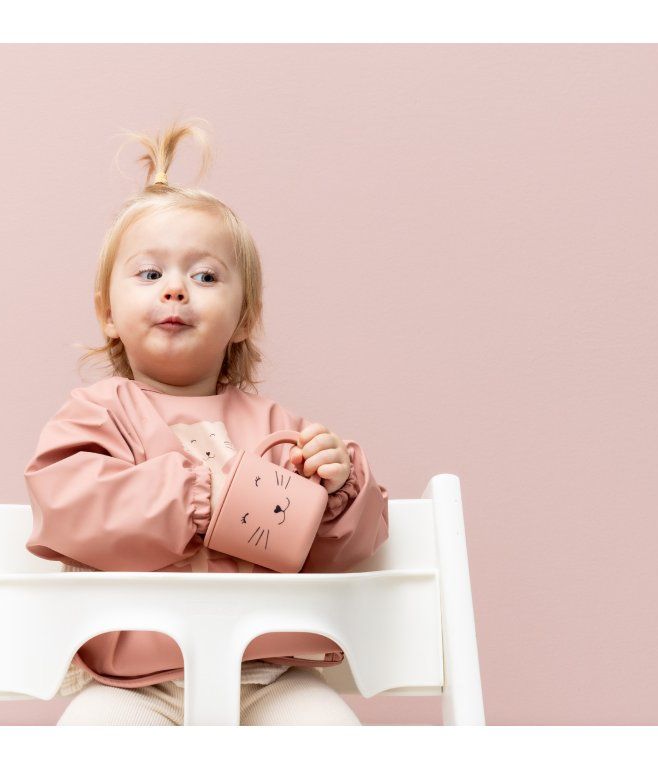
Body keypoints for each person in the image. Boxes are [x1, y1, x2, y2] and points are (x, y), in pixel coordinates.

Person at [23, 117, 389, 725]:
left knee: (335, 738)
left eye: (205, 276)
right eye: (150, 274)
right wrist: (201, 498)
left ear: (243, 319)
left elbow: (339, 550)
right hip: (137, 684)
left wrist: (338, 491)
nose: (176, 290)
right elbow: (69, 502)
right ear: (107, 313)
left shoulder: (277, 426)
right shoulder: (98, 412)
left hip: (267, 675)